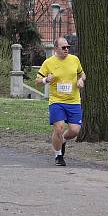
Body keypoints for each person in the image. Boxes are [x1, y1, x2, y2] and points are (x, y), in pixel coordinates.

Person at [35, 37, 86, 167]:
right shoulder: (48, 63)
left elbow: (82, 74)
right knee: (59, 127)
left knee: (75, 131)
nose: (66, 50)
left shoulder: (75, 60)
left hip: (74, 101)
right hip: (57, 101)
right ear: (56, 48)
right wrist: (46, 79)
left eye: (68, 47)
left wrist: (81, 80)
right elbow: (37, 81)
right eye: (64, 47)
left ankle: (61, 140)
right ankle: (58, 155)